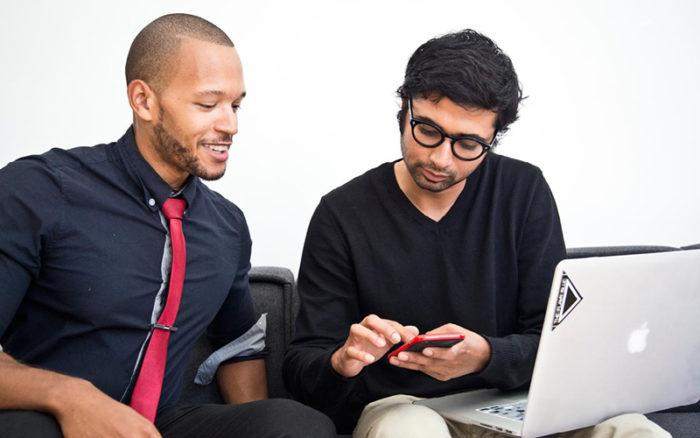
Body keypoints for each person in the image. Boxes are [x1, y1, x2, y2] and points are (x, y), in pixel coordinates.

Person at [283, 29, 669, 438]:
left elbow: (560, 342)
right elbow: (302, 363)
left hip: (518, 403)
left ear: (494, 137)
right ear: (404, 108)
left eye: (468, 144)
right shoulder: (342, 213)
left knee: (634, 430)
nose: (440, 158)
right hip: (406, 408)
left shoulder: (524, 191)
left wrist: (487, 356)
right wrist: (342, 361)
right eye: (427, 130)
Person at [0, 13, 335, 438]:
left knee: (295, 424)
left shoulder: (226, 226)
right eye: (207, 104)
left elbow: (238, 342)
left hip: (164, 424)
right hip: (53, 418)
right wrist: (71, 397)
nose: (230, 124)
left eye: (235, 105)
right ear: (144, 100)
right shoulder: (39, 189)